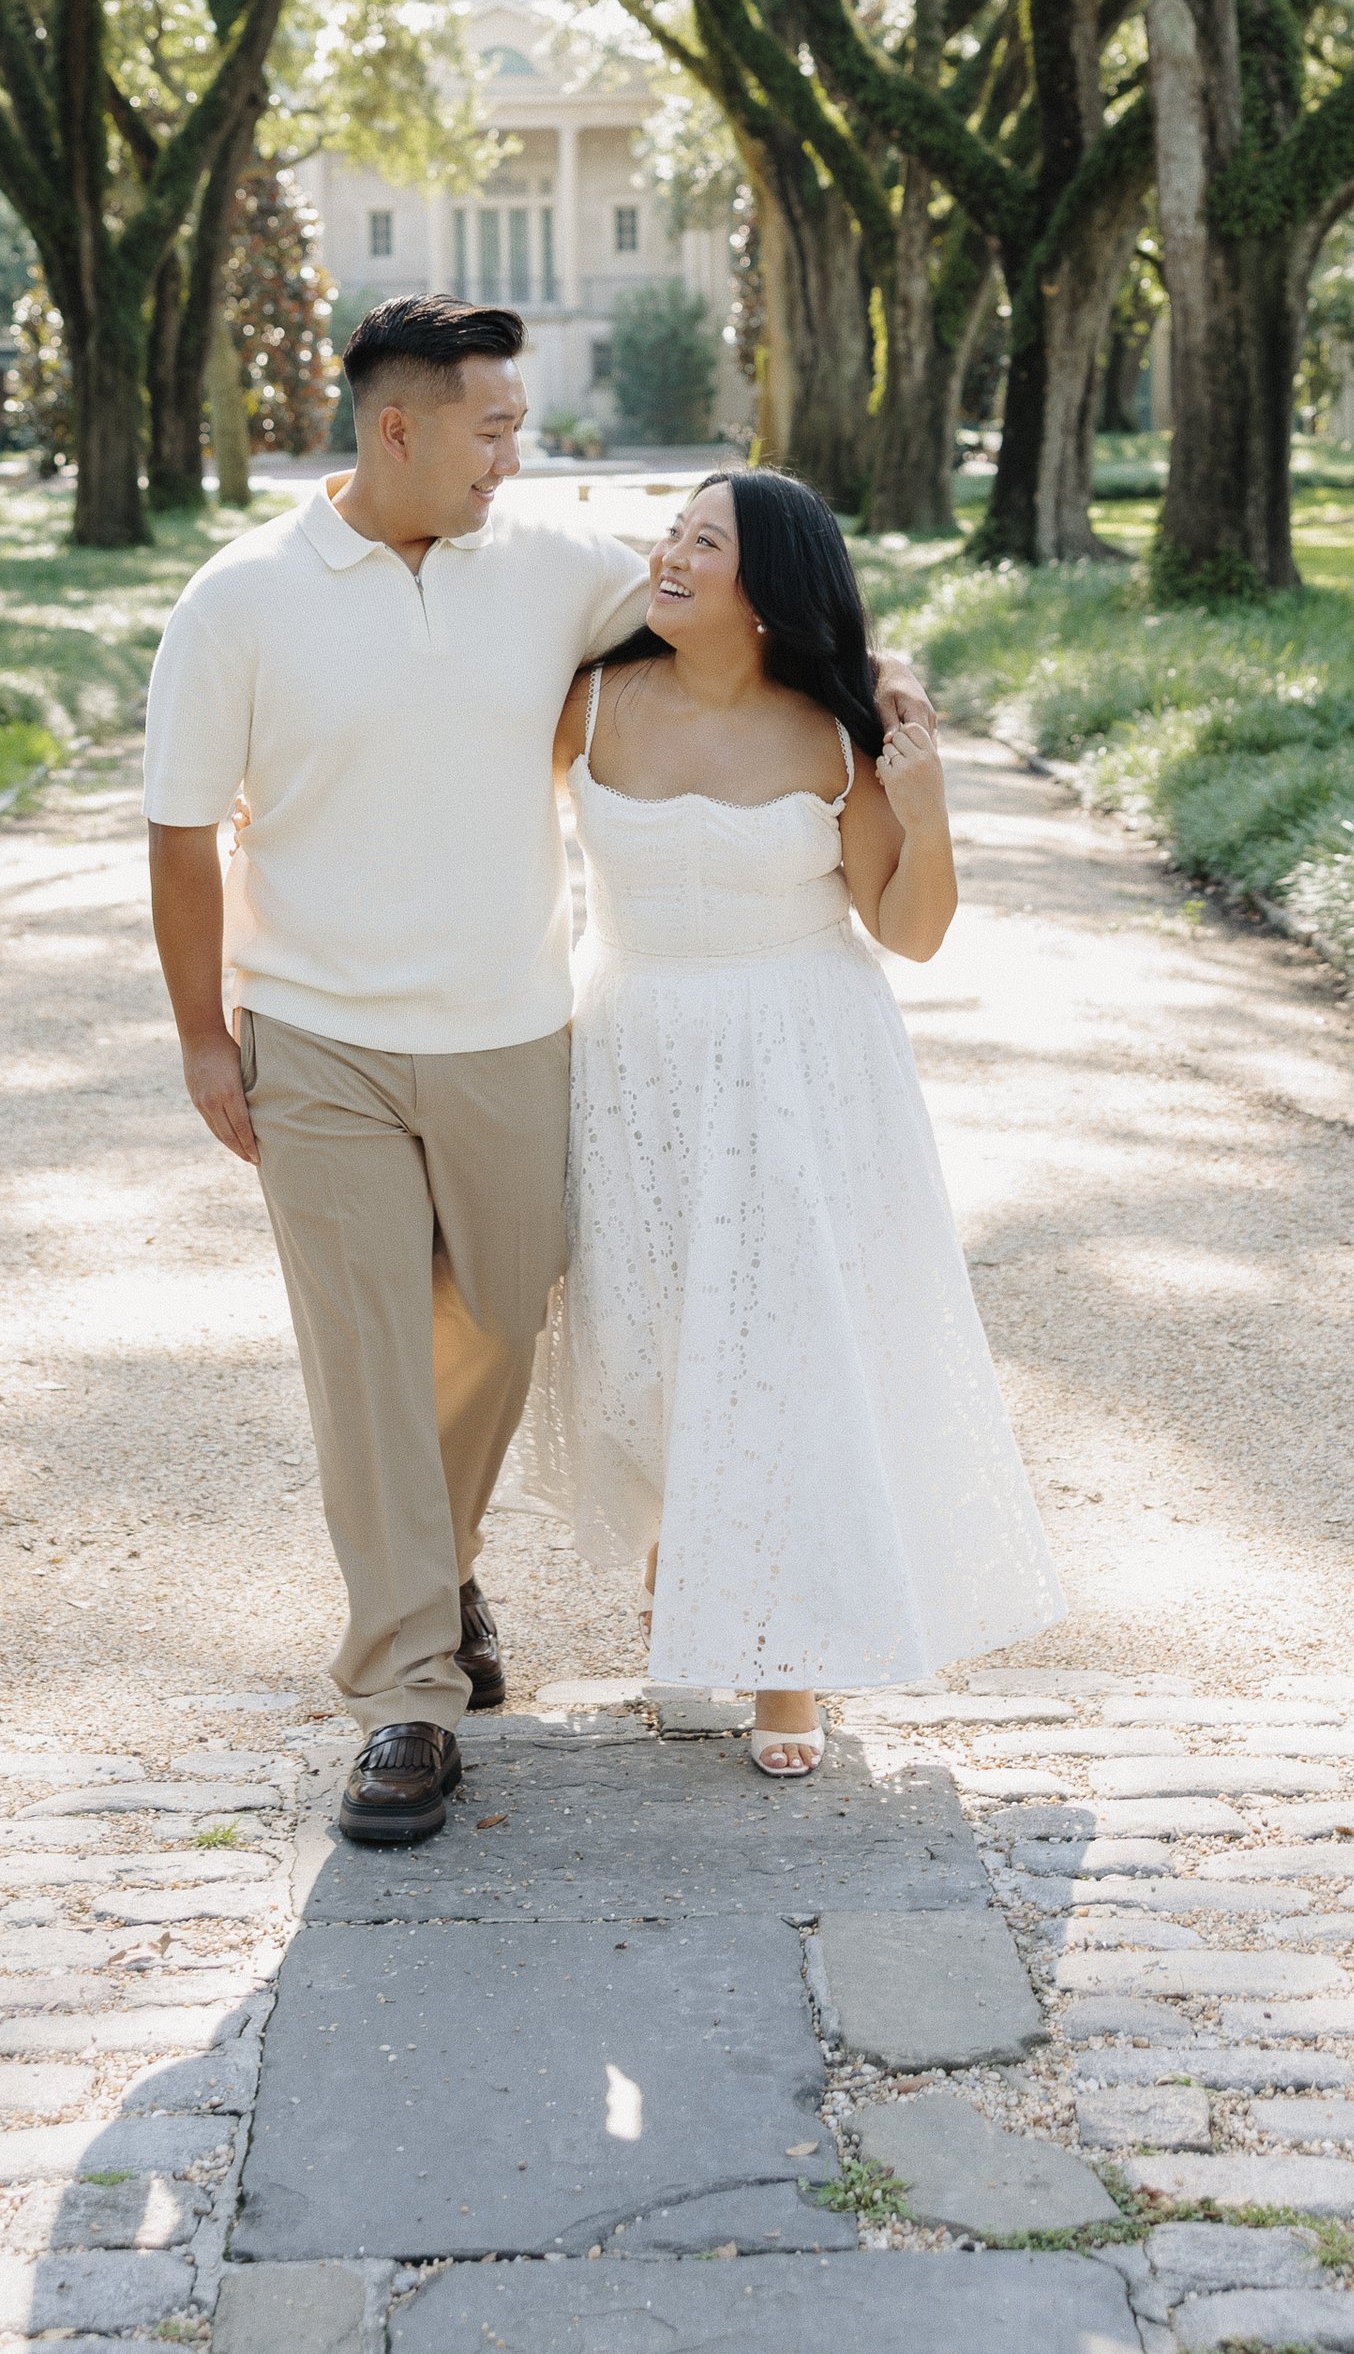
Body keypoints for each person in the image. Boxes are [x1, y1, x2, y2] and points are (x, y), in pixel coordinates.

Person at [141, 293, 932, 1847]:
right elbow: (179, 836)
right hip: (317, 1034)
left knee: (506, 1320)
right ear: (399, 427)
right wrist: (199, 1032)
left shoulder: (555, 567)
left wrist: (888, 675)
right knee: (370, 1350)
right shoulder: (237, 602)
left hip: (511, 1031)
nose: (515, 452)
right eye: (493, 426)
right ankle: (408, 1696)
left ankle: (435, 1571)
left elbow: (753, 602)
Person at [520, 468, 1064, 1775]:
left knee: (784, 1345)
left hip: (798, 1059)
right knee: (648, 1326)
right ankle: (688, 1561)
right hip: (634, 1046)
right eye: (673, 530)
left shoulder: (832, 735)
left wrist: (926, 813)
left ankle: (786, 1661)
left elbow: (909, 929)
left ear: (765, 590)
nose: (669, 552)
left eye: (704, 541)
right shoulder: (588, 702)